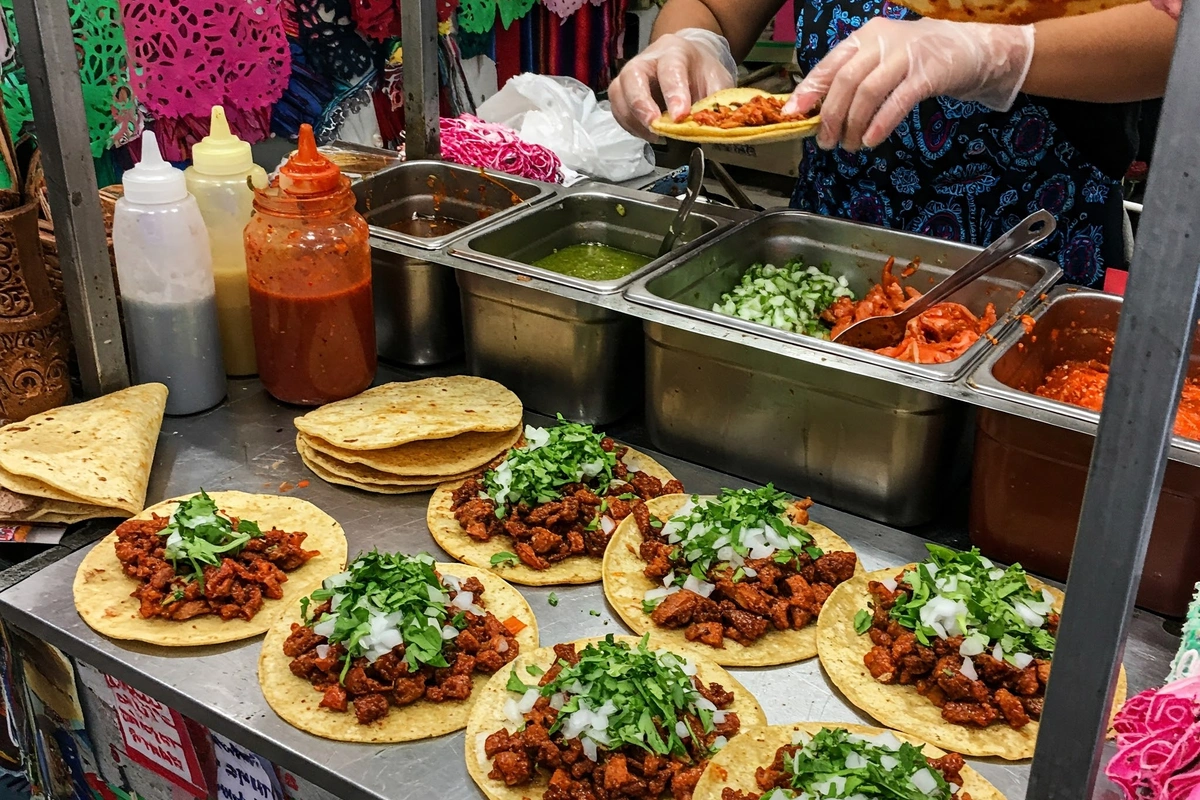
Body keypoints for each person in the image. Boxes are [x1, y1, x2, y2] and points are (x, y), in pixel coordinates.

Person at [609, 0, 1177, 287]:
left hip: (1031, 247)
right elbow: (711, 6)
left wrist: (1002, 52)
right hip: (830, 244)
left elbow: (1177, 32)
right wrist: (690, 41)